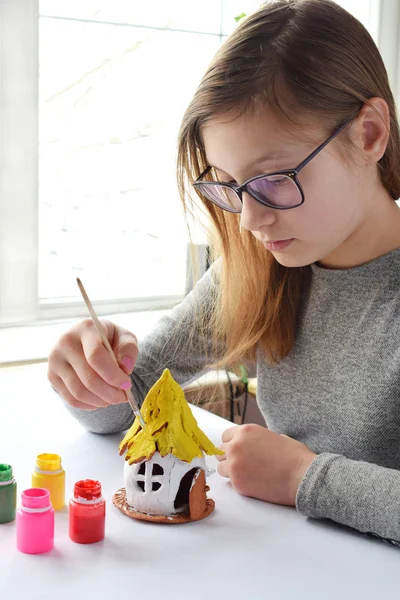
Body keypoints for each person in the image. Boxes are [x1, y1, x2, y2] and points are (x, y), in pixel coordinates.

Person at [48, 0, 400, 544]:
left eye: (275, 177)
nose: (252, 220)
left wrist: (304, 478)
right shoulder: (263, 268)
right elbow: (130, 401)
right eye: (231, 185)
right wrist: (91, 371)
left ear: (370, 134)